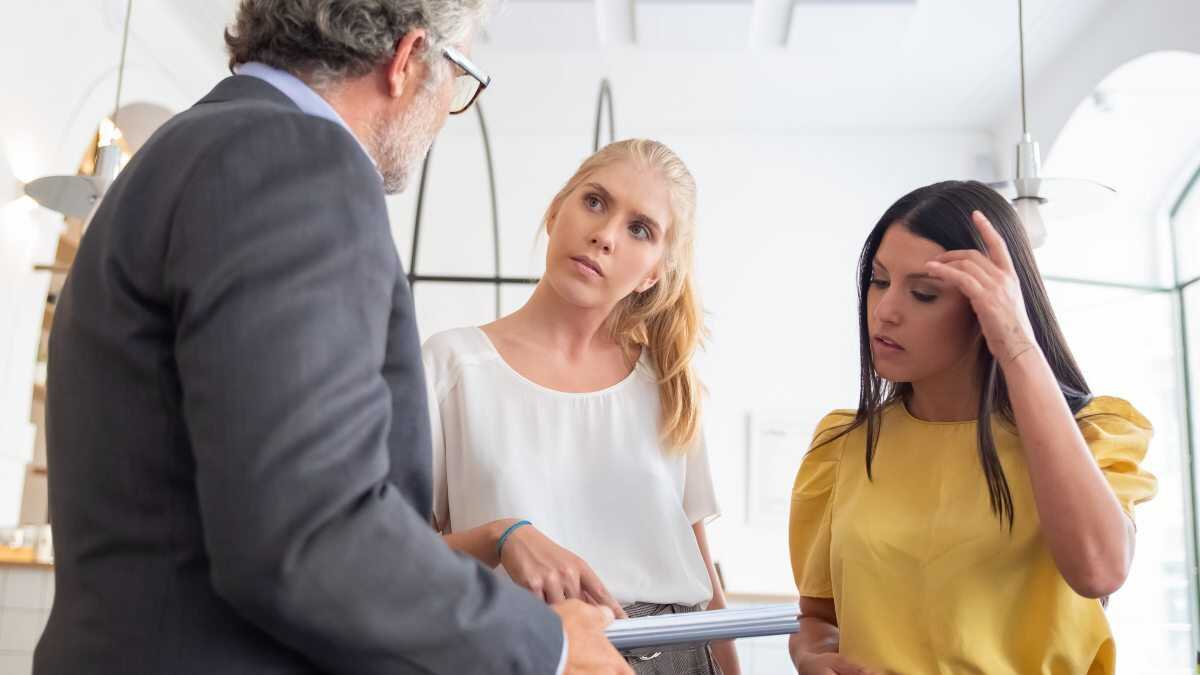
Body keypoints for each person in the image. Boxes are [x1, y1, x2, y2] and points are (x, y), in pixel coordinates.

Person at [36, 1, 629, 673]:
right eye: (459, 76)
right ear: (407, 61)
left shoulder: (185, 148)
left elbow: (252, 502)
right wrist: (547, 645)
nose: (446, 112)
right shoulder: (296, 159)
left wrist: (492, 541)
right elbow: (308, 531)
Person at [787, 181, 1158, 675]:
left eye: (924, 293)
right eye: (878, 281)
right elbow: (818, 619)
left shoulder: (1095, 432)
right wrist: (812, 655)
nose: (886, 310)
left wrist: (1018, 346)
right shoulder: (843, 446)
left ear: (990, 308)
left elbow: (1099, 571)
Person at [422, 139, 740, 674]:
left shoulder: (667, 384)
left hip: (681, 657)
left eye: (640, 229)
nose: (605, 235)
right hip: (530, 654)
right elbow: (394, 556)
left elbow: (703, 577)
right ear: (555, 211)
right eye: (594, 202)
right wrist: (500, 535)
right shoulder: (452, 366)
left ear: (654, 273)